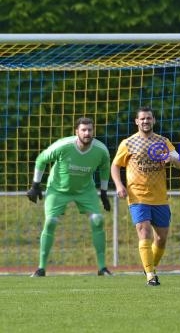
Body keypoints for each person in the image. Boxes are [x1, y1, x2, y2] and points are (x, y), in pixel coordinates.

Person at [27, 117, 113, 277]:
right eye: (83, 130)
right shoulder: (63, 145)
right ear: (76, 132)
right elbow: (41, 159)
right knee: (51, 222)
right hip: (57, 190)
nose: (87, 133)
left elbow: (105, 168)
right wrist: (35, 185)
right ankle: (41, 269)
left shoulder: (101, 150)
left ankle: (102, 268)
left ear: (93, 131)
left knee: (97, 220)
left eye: (90, 130)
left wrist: (103, 193)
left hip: (85, 191)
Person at [111, 107, 180, 286]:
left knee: (161, 238)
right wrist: (120, 185)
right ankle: (151, 275)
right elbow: (115, 166)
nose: (145, 121)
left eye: (148, 118)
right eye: (142, 119)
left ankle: (149, 266)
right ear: (136, 121)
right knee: (144, 231)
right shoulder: (128, 143)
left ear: (154, 121)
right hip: (137, 196)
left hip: (159, 198)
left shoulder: (164, 142)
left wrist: (171, 159)